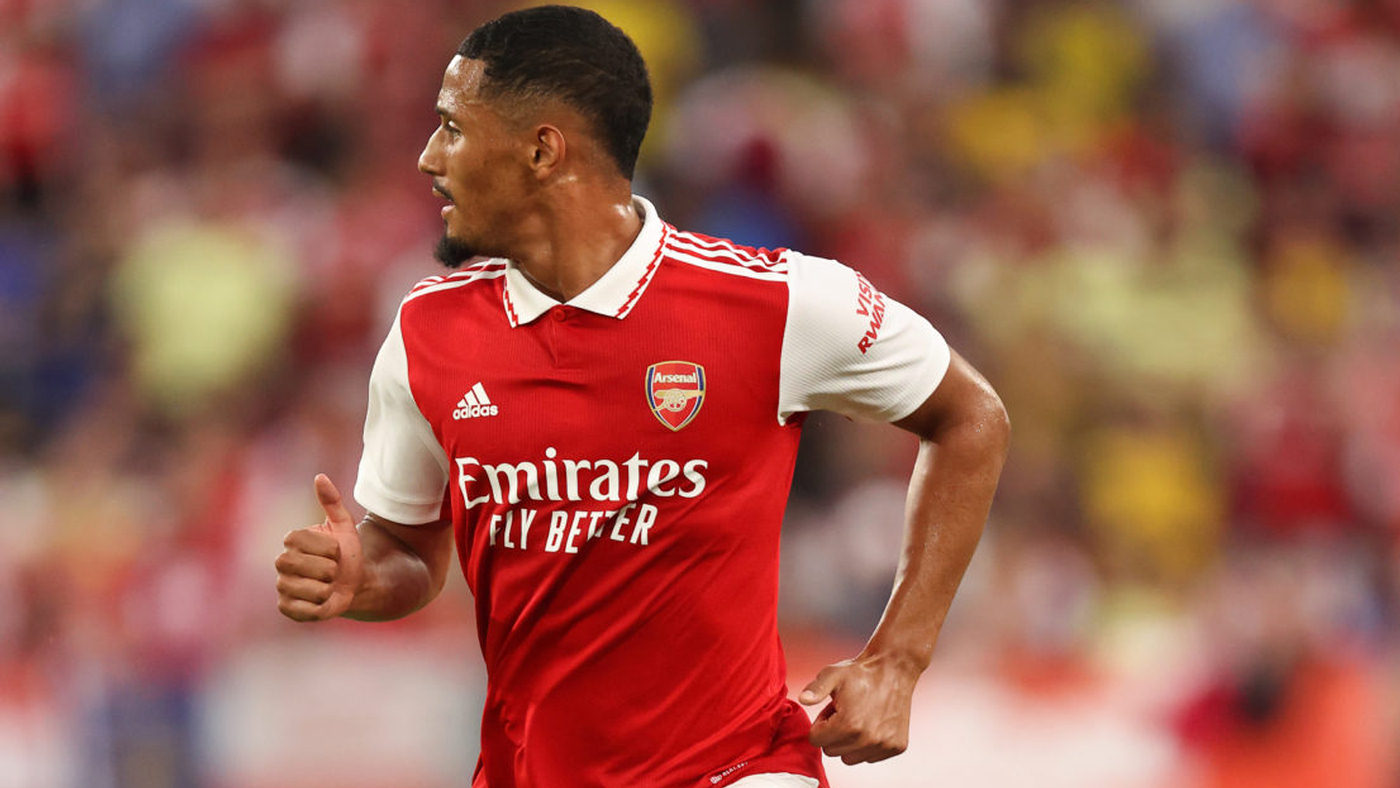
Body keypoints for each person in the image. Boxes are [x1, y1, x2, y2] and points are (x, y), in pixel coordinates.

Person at [273, 6, 1008, 787]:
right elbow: (410, 552)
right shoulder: (428, 331)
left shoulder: (777, 304)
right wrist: (360, 576)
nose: (428, 157)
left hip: (737, 770)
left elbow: (971, 416)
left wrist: (898, 657)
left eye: (453, 128)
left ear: (542, 150)